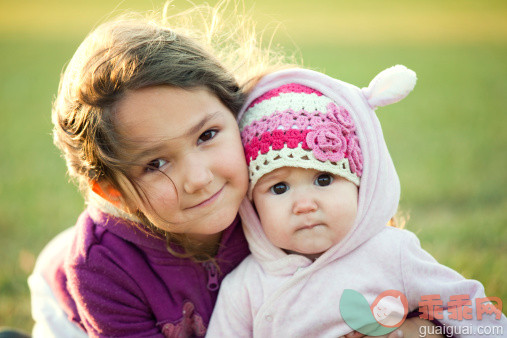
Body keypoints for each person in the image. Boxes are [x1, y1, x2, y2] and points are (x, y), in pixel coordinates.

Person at [27, 2, 446, 337]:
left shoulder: (276, 195)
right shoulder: (101, 269)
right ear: (113, 192)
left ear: (239, 117)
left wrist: (410, 329)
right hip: (70, 314)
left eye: (207, 135)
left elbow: (419, 299)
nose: (199, 178)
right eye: (156, 164)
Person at [206, 66, 507, 337]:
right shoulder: (246, 286)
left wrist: (423, 331)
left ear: (361, 186)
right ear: (252, 205)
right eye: (280, 188)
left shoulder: (391, 253)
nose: (304, 204)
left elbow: (474, 312)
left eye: (324, 179)